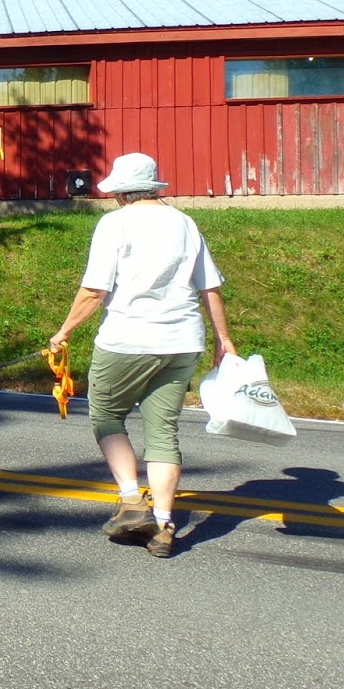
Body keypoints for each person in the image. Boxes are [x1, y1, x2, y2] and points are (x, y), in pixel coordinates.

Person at [49, 152, 236, 558]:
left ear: (119, 192)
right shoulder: (185, 223)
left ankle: (132, 500)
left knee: (106, 415)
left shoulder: (114, 223)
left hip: (127, 340)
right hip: (183, 341)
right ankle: (165, 523)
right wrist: (225, 341)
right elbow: (211, 288)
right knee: (163, 433)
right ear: (153, 187)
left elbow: (95, 290)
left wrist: (63, 331)